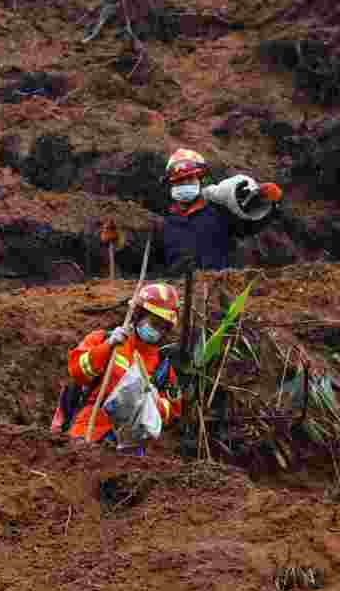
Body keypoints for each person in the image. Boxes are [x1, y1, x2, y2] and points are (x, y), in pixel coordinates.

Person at [66, 283, 183, 444]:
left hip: (129, 446)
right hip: (88, 432)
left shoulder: (162, 366)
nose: (158, 331)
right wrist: (107, 347)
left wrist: (153, 402)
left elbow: (173, 411)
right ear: (139, 315)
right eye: (155, 323)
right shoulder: (103, 339)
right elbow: (77, 371)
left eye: (164, 327)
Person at [161, 148, 283, 272]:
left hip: (217, 286)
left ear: (201, 180)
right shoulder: (166, 223)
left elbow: (249, 226)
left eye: (190, 178)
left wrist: (267, 205)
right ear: (171, 184)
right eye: (180, 180)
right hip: (180, 288)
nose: (185, 183)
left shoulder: (219, 212)